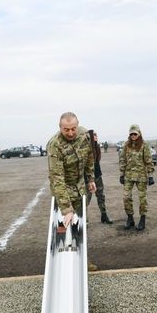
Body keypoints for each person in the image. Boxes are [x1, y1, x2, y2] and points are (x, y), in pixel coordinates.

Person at [47, 112, 98, 271]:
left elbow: (90, 157)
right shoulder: (55, 145)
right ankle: (63, 263)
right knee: (63, 227)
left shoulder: (84, 136)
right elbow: (57, 178)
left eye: (73, 129)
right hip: (64, 190)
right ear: (60, 127)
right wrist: (67, 209)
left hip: (80, 187)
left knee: (82, 225)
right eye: (66, 129)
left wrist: (90, 179)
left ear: (77, 126)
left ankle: (83, 259)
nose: (70, 133)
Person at [119, 124, 154, 231]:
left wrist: (151, 175)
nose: (133, 135)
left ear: (139, 134)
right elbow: (123, 160)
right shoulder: (126, 145)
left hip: (141, 176)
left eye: (135, 133)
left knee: (142, 199)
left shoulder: (144, 145)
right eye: (131, 134)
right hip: (128, 176)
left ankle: (142, 219)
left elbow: (148, 161)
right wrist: (121, 174)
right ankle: (130, 218)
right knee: (126, 197)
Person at [86, 131, 113, 224]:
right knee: (86, 199)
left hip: (97, 175)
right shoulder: (86, 148)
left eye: (96, 135)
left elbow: (97, 160)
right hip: (88, 178)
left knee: (101, 196)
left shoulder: (97, 147)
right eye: (93, 136)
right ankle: (85, 220)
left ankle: (104, 215)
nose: (96, 137)